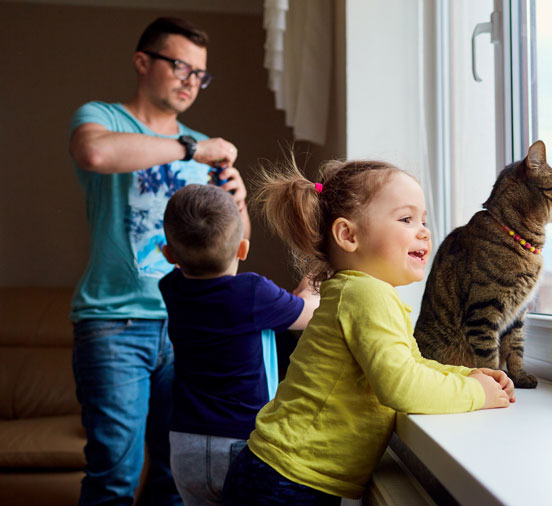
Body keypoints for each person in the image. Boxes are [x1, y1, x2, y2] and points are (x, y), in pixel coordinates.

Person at [220, 158, 516, 505]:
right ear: (348, 235)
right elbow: (401, 385)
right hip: (284, 479)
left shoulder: (365, 292)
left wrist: (467, 374)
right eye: (406, 219)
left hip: (286, 474)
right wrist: (475, 393)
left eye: (423, 220)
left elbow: (412, 364)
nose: (424, 231)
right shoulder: (365, 294)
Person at [68, 17, 249, 505]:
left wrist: (240, 202)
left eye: (200, 74)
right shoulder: (103, 118)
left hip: (190, 324)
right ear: (142, 62)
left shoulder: (204, 148)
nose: (191, 81)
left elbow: (236, 243)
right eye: (180, 67)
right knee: (113, 477)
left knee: (178, 477)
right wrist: (191, 149)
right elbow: (93, 153)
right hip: (115, 321)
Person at [157, 184, 319, 505]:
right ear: (242, 249)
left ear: (169, 255)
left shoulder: (170, 288)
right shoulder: (252, 293)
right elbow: (309, 312)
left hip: (184, 443)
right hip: (240, 441)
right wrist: (315, 274)